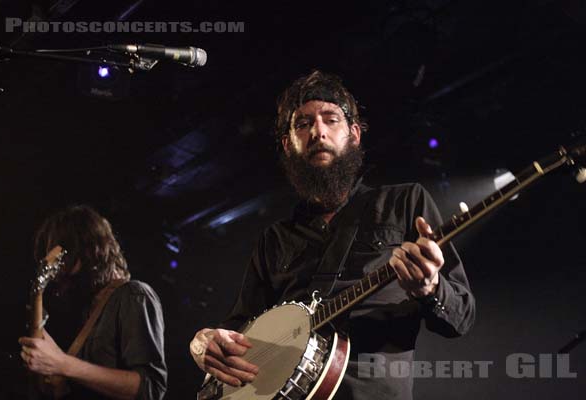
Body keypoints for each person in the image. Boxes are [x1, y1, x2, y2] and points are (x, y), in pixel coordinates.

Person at [189, 70, 475, 399]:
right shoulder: (275, 238)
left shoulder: (405, 202)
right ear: (288, 144)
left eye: (331, 119)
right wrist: (203, 342)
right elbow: (239, 330)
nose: (318, 132)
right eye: (303, 123)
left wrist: (431, 287)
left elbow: (462, 316)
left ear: (354, 135)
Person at [19, 205, 167, 400]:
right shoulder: (85, 309)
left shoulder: (133, 295)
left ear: (87, 250)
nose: (57, 275)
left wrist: (63, 364)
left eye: (64, 260)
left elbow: (151, 388)